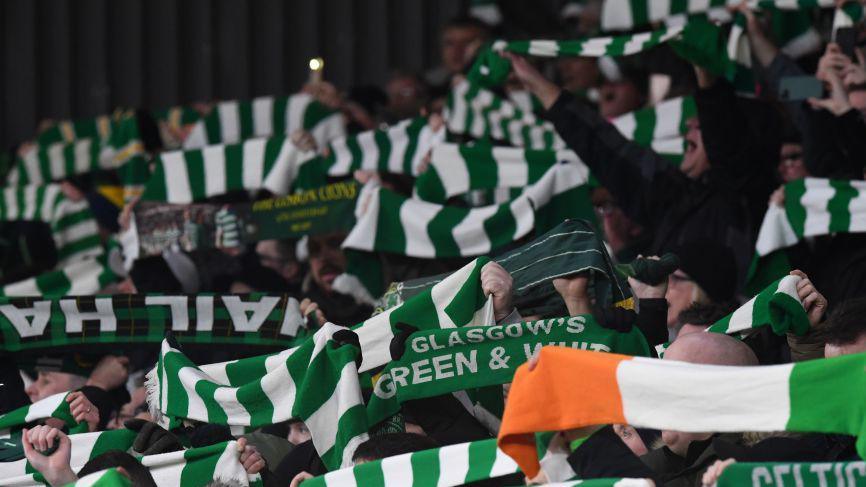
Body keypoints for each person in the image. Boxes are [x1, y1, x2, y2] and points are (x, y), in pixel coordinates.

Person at [503, 52, 776, 284]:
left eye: (701, 124)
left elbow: (726, 143)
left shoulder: (741, 205)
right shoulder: (680, 199)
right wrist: (537, 84)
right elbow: (608, 149)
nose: (689, 124)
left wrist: (705, 74)